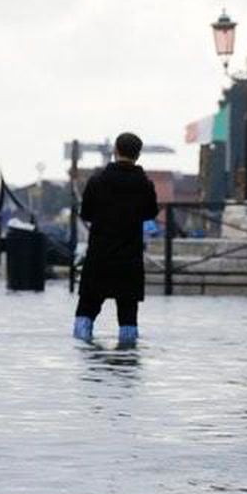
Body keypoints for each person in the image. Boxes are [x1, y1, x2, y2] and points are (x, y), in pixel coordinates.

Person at [73, 132, 158, 345]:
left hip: (99, 256)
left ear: (115, 151)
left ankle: (84, 354)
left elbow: (86, 214)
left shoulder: (97, 181)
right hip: (129, 258)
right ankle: (127, 357)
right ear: (138, 155)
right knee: (128, 315)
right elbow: (150, 213)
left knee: (86, 309)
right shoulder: (145, 185)